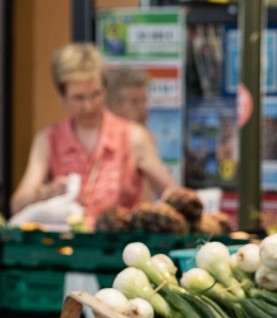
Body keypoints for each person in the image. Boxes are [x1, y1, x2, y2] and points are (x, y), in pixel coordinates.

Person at [11, 43, 172, 224]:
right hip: (64, 247)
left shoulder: (133, 136)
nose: (88, 106)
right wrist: (48, 192)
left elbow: (171, 192)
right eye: (78, 98)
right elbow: (17, 203)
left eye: (95, 95)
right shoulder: (49, 140)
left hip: (120, 246)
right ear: (61, 97)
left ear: (105, 89)